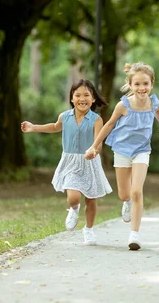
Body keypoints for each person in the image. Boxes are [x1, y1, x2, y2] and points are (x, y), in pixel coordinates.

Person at [85, 62, 159, 251]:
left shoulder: (154, 102)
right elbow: (108, 125)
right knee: (124, 194)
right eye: (137, 84)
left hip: (142, 150)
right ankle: (126, 203)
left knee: (136, 191)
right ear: (131, 85)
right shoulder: (123, 105)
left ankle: (134, 234)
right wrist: (94, 145)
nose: (142, 88)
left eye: (145, 84)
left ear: (152, 84)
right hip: (122, 150)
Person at [21, 79, 112, 246]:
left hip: (89, 162)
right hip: (70, 161)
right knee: (73, 197)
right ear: (71, 98)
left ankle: (89, 229)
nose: (82, 98)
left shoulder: (96, 119)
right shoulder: (65, 116)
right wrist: (34, 127)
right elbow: (55, 127)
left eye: (86, 95)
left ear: (93, 99)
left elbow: (98, 141)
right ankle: (74, 208)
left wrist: (94, 150)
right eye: (77, 95)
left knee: (91, 200)